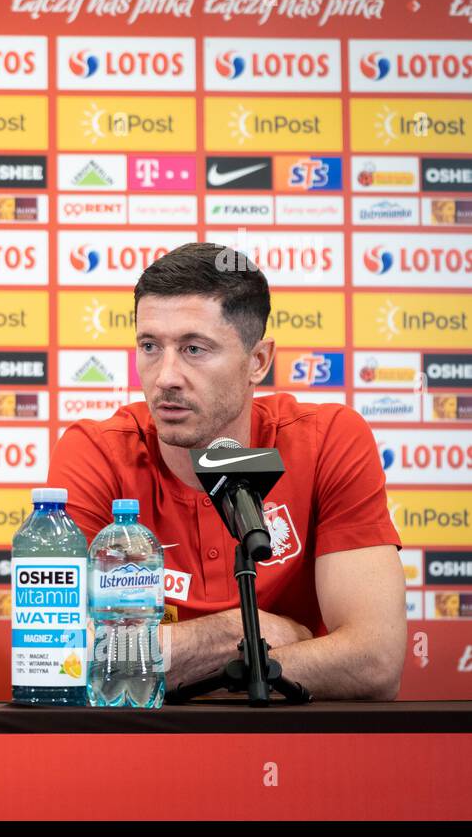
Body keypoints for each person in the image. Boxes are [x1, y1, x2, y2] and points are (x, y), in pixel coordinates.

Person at [47, 242, 405, 700]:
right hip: (142, 750)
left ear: (258, 361)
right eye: (150, 346)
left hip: (300, 752)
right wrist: (243, 635)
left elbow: (375, 664)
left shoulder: (329, 439)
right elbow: (63, 660)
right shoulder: (94, 451)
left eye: (194, 349)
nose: (166, 377)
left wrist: (159, 665)